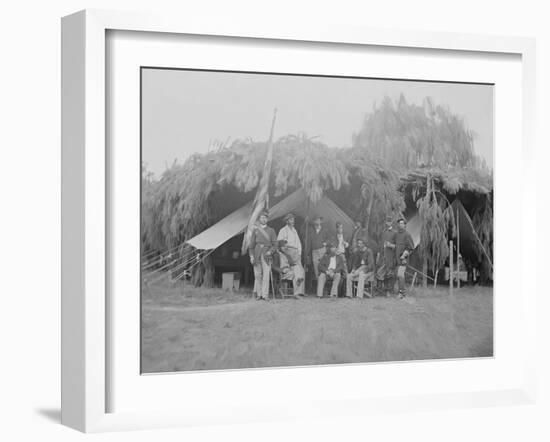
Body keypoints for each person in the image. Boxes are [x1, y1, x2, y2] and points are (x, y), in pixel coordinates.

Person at [248, 210, 277, 300]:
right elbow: (251, 246)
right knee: (257, 275)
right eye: (262, 218)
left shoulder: (271, 230)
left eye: (265, 218)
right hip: (256, 254)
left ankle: (265, 295)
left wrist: (270, 252)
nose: (264, 219)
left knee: (266, 275)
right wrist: (251, 256)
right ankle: (259, 294)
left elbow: (275, 244)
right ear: (259, 219)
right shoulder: (255, 230)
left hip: (266, 254)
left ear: (267, 219)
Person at [277, 213, 305, 296]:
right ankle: (292, 292)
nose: (293, 221)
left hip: (296, 253)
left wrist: (299, 253)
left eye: (293, 219)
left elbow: (299, 243)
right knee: (292, 271)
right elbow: (280, 243)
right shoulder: (283, 230)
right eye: (291, 220)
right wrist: (285, 252)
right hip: (287, 252)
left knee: (301, 271)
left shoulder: (294, 230)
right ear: (287, 221)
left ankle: (300, 292)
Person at [376, 216, 397, 297]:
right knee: (379, 273)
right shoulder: (383, 232)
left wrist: (390, 245)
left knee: (389, 274)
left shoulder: (395, 233)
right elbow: (380, 245)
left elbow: (397, 246)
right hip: (382, 256)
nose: (387, 223)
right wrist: (378, 255)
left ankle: (388, 291)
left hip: (390, 257)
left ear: (391, 222)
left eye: (389, 221)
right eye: (386, 221)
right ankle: (379, 290)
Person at [394, 217, 415, 299]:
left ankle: (401, 293)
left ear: (405, 225)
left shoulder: (407, 235)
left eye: (402, 223)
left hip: (403, 259)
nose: (400, 225)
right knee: (398, 276)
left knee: (400, 275)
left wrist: (404, 255)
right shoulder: (396, 234)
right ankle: (403, 291)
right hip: (396, 259)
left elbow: (411, 247)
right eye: (399, 223)